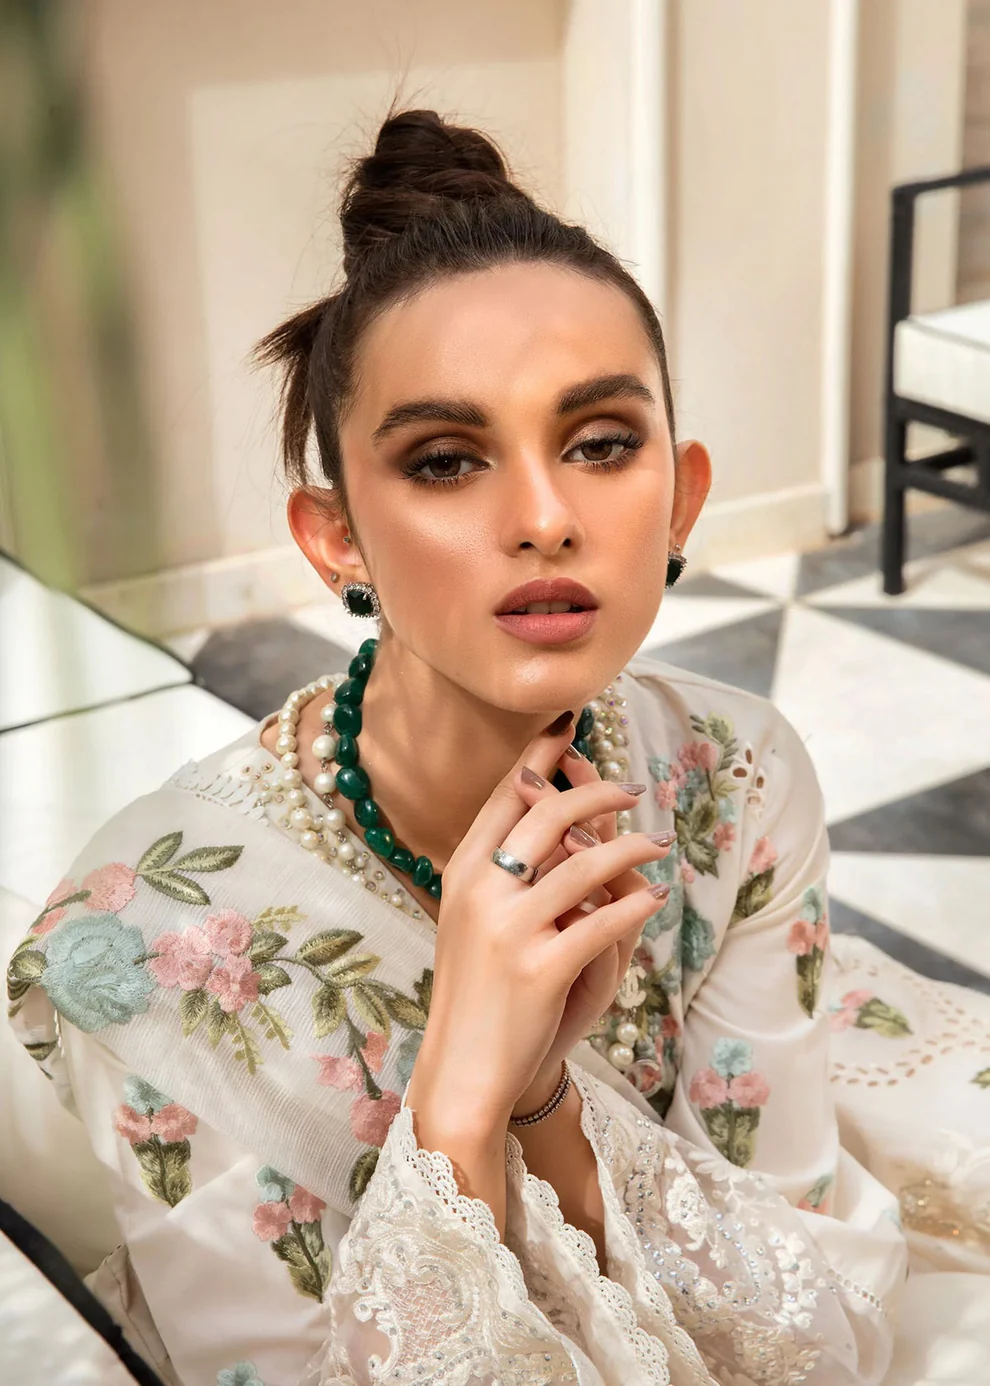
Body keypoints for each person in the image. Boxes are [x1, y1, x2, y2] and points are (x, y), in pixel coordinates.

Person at [8, 109, 989, 1386]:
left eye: (600, 444)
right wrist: (461, 1102)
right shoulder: (144, 949)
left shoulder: (734, 773)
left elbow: (810, 1333)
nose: (543, 517)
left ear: (682, 498)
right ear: (336, 538)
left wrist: (544, 1104)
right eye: (445, 460)